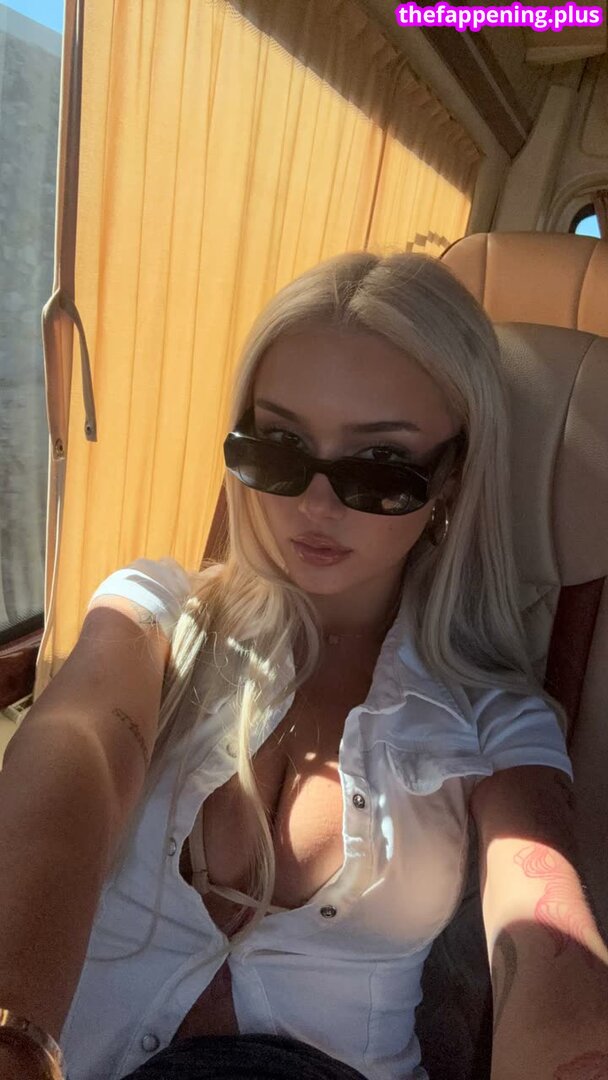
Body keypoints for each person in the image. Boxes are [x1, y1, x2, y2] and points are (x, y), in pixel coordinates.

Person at [0, 252, 584, 1080]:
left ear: (452, 476)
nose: (314, 504)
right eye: (276, 447)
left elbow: (549, 935)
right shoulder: (152, 615)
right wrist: (16, 1034)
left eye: (378, 467)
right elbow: (79, 756)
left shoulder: (494, 718)